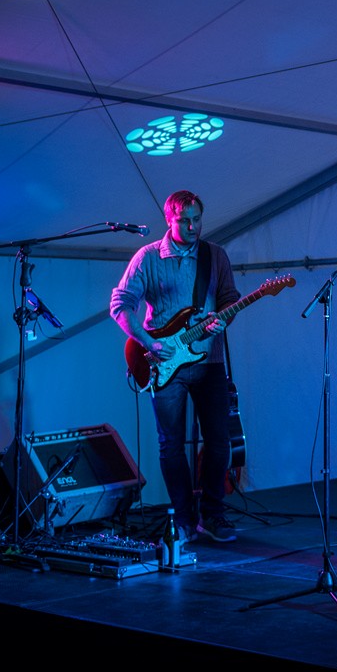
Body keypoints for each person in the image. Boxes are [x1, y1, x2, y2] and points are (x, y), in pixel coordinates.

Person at [110, 190, 240, 543]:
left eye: (197, 219)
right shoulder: (148, 257)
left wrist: (223, 319)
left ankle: (212, 515)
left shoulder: (215, 255)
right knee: (171, 444)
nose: (193, 226)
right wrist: (148, 342)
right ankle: (183, 518)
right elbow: (120, 303)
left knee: (219, 441)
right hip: (164, 363)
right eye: (185, 220)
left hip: (210, 361)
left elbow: (229, 297)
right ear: (169, 219)